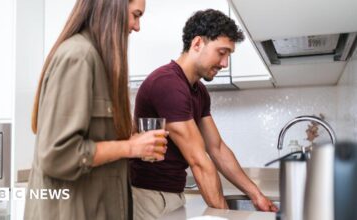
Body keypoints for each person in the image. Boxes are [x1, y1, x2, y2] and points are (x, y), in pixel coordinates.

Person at [24, 0, 168, 219]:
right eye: (136, 15)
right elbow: (57, 155)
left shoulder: (100, 61)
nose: (137, 26)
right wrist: (130, 148)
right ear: (113, 7)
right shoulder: (78, 57)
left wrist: (132, 141)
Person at [130, 9, 279, 219]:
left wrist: (256, 195)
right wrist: (226, 216)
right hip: (150, 197)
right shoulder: (167, 84)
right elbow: (199, 160)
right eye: (221, 52)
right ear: (197, 43)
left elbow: (217, 148)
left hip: (172, 194)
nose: (225, 63)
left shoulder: (198, 91)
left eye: (228, 55)